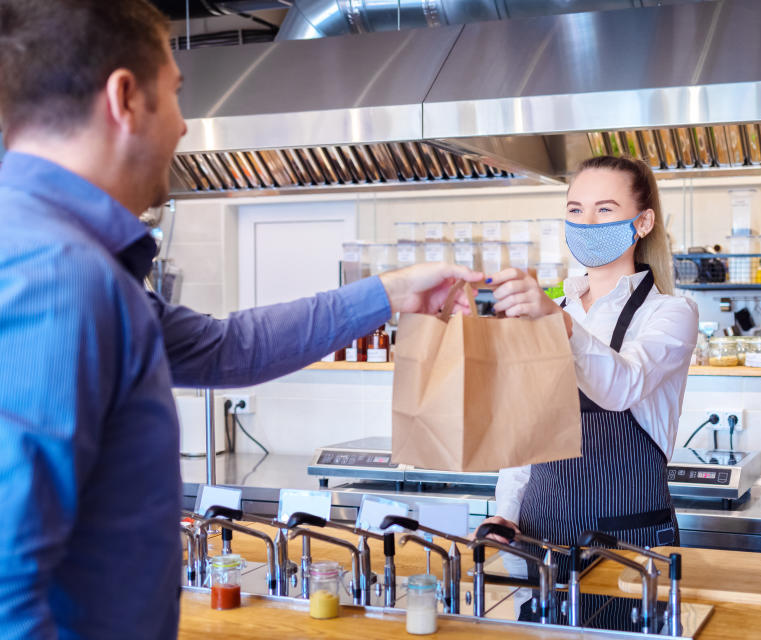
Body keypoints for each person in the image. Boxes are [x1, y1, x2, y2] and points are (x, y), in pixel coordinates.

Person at [0, 2, 480, 638]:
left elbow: (226, 349)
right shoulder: (57, 275)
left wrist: (388, 293)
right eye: (174, 94)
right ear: (124, 98)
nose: (184, 129)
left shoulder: (64, 256)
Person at [478, 156, 698, 591]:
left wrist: (559, 325)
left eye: (605, 209)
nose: (587, 223)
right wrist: (505, 511)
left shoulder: (671, 313)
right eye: (575, 210)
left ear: (643, 221)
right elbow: (524, 434)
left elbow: (621, 386)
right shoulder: (555, 310)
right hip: (538, 537)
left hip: (627, 545)